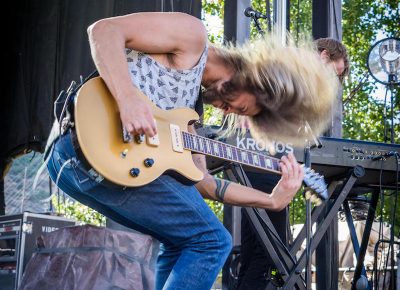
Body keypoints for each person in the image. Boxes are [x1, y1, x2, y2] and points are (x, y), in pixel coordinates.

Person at [46, 12, 338, 290]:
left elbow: (204, 183)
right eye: (245, 107)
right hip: (79, 144)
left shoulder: (189, 114)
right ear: (259, 76)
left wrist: (271, 200)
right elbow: (103, 30)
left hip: (84, 167)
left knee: (184, 241)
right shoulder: (192, 37)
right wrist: (127, 98)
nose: (232, 111)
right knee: (212, 241)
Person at [236, 37, 349, 290]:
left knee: (256, 250)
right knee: (269, 251)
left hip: (269, 164)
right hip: (262, 161)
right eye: (334, 72)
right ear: (322, 56)